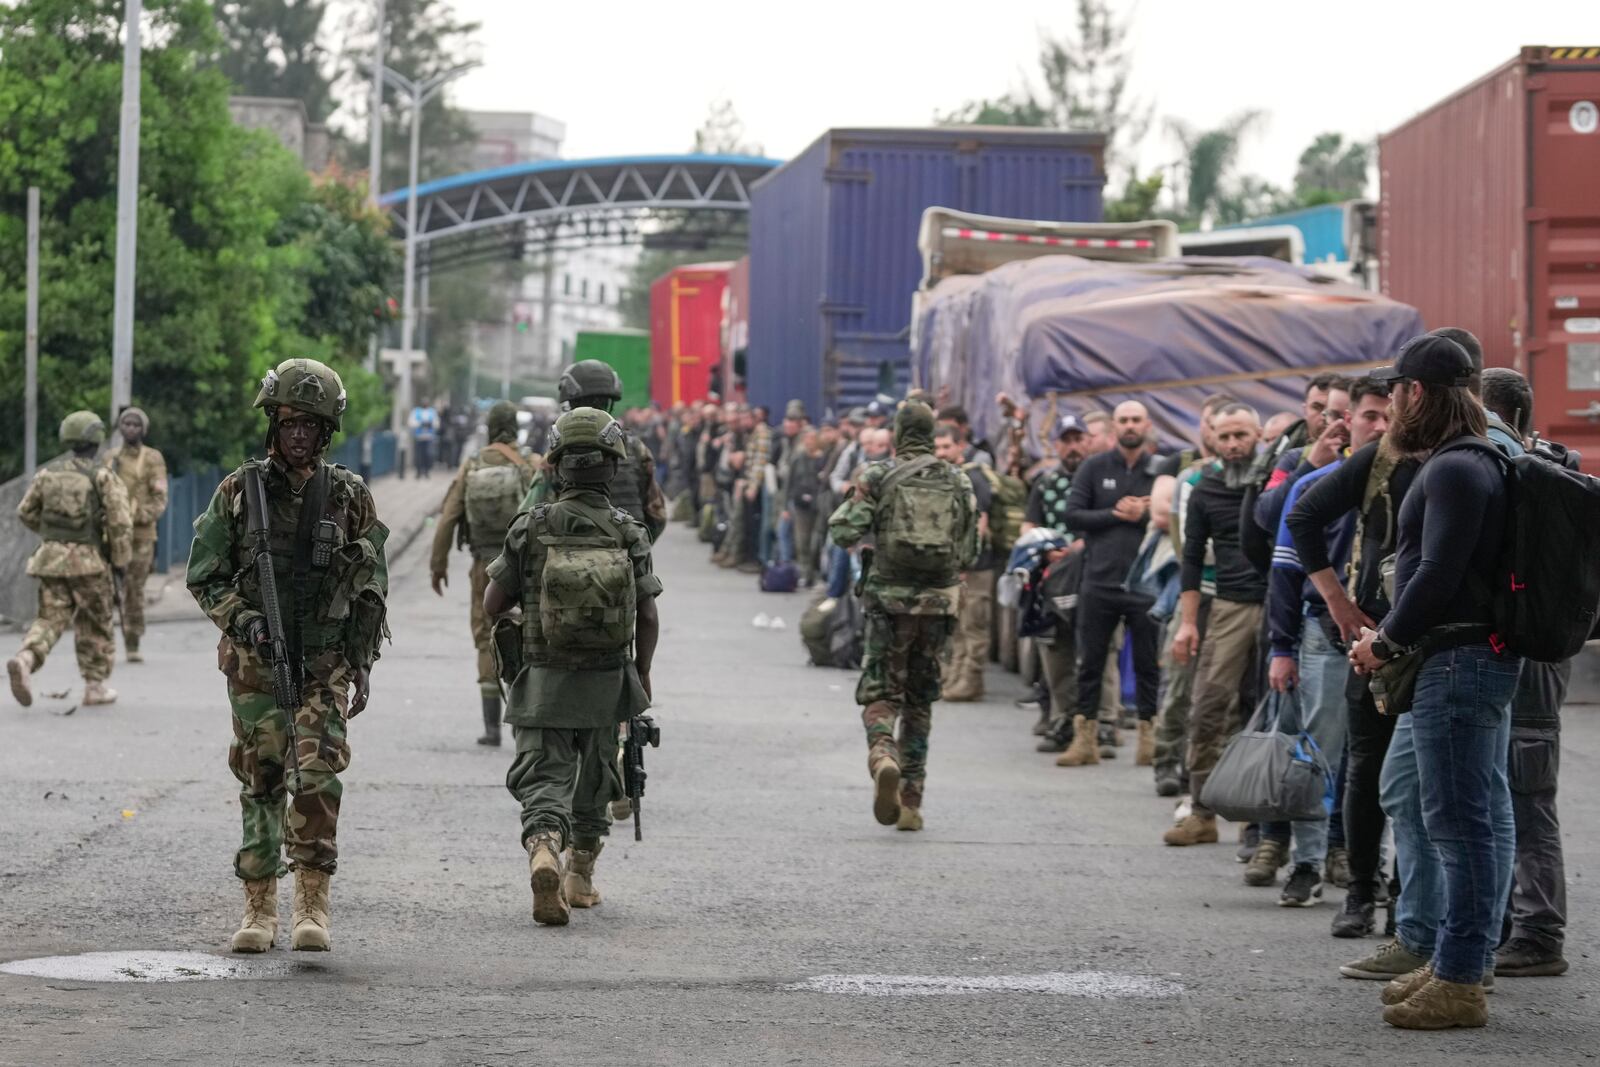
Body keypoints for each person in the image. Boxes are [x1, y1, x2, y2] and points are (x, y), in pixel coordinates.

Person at [187, 358, 389, 954]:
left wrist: (362, 663)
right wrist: (245, 621)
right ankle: (258, 906)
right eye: (289, 421)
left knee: (318, 776)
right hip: (256, 663)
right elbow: (205, 576)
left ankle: (311, 902)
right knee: (262, 776)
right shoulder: (237, 492)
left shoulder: (349, 494)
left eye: (311, 424)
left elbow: (369, 587)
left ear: (326, 433)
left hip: (325, 664)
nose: (299, 433)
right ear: (273, 423)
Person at [1348, 334, 1517, 1030]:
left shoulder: (1453, 469)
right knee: (1474, 817)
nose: (1388, 405)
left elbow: (1436, 575)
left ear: (1416, 393)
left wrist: (1384, 642)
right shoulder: (1481, 459)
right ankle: (1459, 960)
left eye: (1394, 392)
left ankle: (1460, 978)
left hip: (1458, 661)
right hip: (1477, 658)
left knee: (1460, 824)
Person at [484, 407, 661, 927]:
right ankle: (579, 879)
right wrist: (642, 674)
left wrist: (527, 616)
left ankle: (544, 848)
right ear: (612, 467)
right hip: (608, 681)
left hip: (543, 679)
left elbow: (494, 602)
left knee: (544, 776)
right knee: (598, 780)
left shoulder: (531, 527)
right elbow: (648, 615)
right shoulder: (630, 532)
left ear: (557, 466)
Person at [1283, 380, 1406, 935]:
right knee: (1364, 768)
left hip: (1430, 641)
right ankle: (1359, 891)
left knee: (1418, 780)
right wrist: (1338, 602)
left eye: (1392, 414)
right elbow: (1294, 518)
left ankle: (1408, 899)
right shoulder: (1371, 465)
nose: (1383, 427)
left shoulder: (1451, 458)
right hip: (1368, 639)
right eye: (1372, 415)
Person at [828, 401, 977, 832]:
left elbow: (842, 532)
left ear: (896, 435)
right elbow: (971, 552)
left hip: (887, 605)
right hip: (938, 607)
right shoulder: (958, 480)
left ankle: (883, 754)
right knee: (920, 699)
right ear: (933, 435)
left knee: (881, 692)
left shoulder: (876, 475)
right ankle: (911, 802)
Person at [1478, 368, 1569, 978]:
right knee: (1511, 785)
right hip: (1540, 644)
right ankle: (1518, 921)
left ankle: (1538, 931)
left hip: (1530, 650)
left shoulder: (1527, 476)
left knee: (1527, 788)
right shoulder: (1542, 468)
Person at [1163, 404, 1266, 846]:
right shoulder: (1205, 488)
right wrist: (1188, 624)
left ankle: (1259, 819)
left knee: (1261, 707)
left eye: (1240, 434)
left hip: (1278, 603)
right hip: (1227, 606)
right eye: (1224, 437)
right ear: (1212, 440)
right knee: (1208, 704)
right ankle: (1202, 811)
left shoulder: (1273, 480)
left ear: (1258, 435)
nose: (1232, 444)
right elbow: (1189, 557)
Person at [1057, 400, 1163, 767]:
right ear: (1113, 427)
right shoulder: (1093, 466)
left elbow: (1175, 515)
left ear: (1147, 424)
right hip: (1099, 582)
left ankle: (1150, 742)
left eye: (1136, 419)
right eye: (1123, 420)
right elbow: (1072, 515)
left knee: (1150, 665)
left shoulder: (1160, 469)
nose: (1130, 426)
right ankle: (1083, 739)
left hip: (1145, 584)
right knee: (1090, 663)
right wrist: (1116, 512)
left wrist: (1146, 512)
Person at [7, 412, 133, 708]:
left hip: (50, 560)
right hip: (89, 562)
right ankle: (95, 686)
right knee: (95, 622)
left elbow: (25, 512)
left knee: (50, 618)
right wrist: (120, 561)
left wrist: (54, 538)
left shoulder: (47, 475)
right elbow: (120, 523)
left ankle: (25, 659)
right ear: (97, 439)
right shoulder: (101, 476)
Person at [430, 401, 538, 746]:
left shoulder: (473, 464)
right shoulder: (532, 465)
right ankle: (525, 720)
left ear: (490, 428)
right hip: (527, 566)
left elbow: (448, 516)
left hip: (484, 567)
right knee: (530, 634)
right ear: (515, 429)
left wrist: (439, 565)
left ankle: (491, 727)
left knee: (485, 636)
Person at [526, 361, 667, 543]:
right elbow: (657, 514)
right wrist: (635, 546)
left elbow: (530, 512)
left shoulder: (557, 450)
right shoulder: (635, 447)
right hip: (626, 560)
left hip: (565, 559)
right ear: (609, 402)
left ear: (572, 403)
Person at [1022, 415, 1093, 744]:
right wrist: (1046, 547)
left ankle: (1102, 724)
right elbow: (1028, 525)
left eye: (1079, 439)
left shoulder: (1097, 477)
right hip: (1052, 578)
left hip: (1092, 575)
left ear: (1089, 441)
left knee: (1098, 651)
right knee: (1054, 649)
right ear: (1056, 445)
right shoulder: (1045, 483)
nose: (1073, 446)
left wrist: (1081, 546)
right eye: (1067, 440)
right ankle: (1060, 720)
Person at [104, 407, 168, 663]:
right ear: (120, 427)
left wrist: (135, 515)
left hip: (141, 535)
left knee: (134, 589)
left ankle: (132, 641)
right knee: (106, 589)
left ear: (143, 429)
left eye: (135, 424)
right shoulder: (110, 458)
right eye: (126, 424)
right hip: (112, 535)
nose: (130, 428)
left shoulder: (152, 458)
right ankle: (104, 643)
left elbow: (160, 498)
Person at [934, 426, 993, 701]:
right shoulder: (949, 478)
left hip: (977, 567)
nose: (942, 453)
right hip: (955, 566)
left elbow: (980, 525)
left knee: (974, 625)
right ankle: (955, 675)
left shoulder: (975, 478)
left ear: (960, 446)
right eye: (938, 448)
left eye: (947, 447)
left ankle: (972, 680)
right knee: (957, 626)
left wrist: (966, 561)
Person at [410, 399, 440, 478]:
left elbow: (436, 423)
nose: (425, 403)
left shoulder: (432, 412)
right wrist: (420, 423)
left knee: (428, 455)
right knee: (418, 455)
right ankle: (418, 472)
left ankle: (426, 471)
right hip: (419, 437)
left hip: (429, 437)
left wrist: (430, 424)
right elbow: (411, 422)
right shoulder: (416, 411)